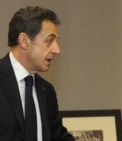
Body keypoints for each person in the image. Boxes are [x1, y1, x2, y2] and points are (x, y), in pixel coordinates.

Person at [0, 6, 75, 141]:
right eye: (49, 40)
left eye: (56, 41)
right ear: (24, 41)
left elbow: (58, 137)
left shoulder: (47, 90)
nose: (57, 50)